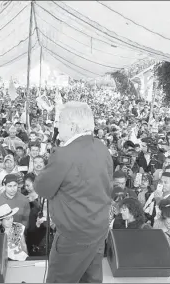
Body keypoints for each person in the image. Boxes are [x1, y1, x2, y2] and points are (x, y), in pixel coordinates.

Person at [34, 101, 113, 283]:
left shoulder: (63, 154)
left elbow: (41, 188)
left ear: (72, 126)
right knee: (90, 279)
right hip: (98, 228)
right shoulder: (101, 147)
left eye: (59, 120)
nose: (56, 124)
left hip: (74, 235)